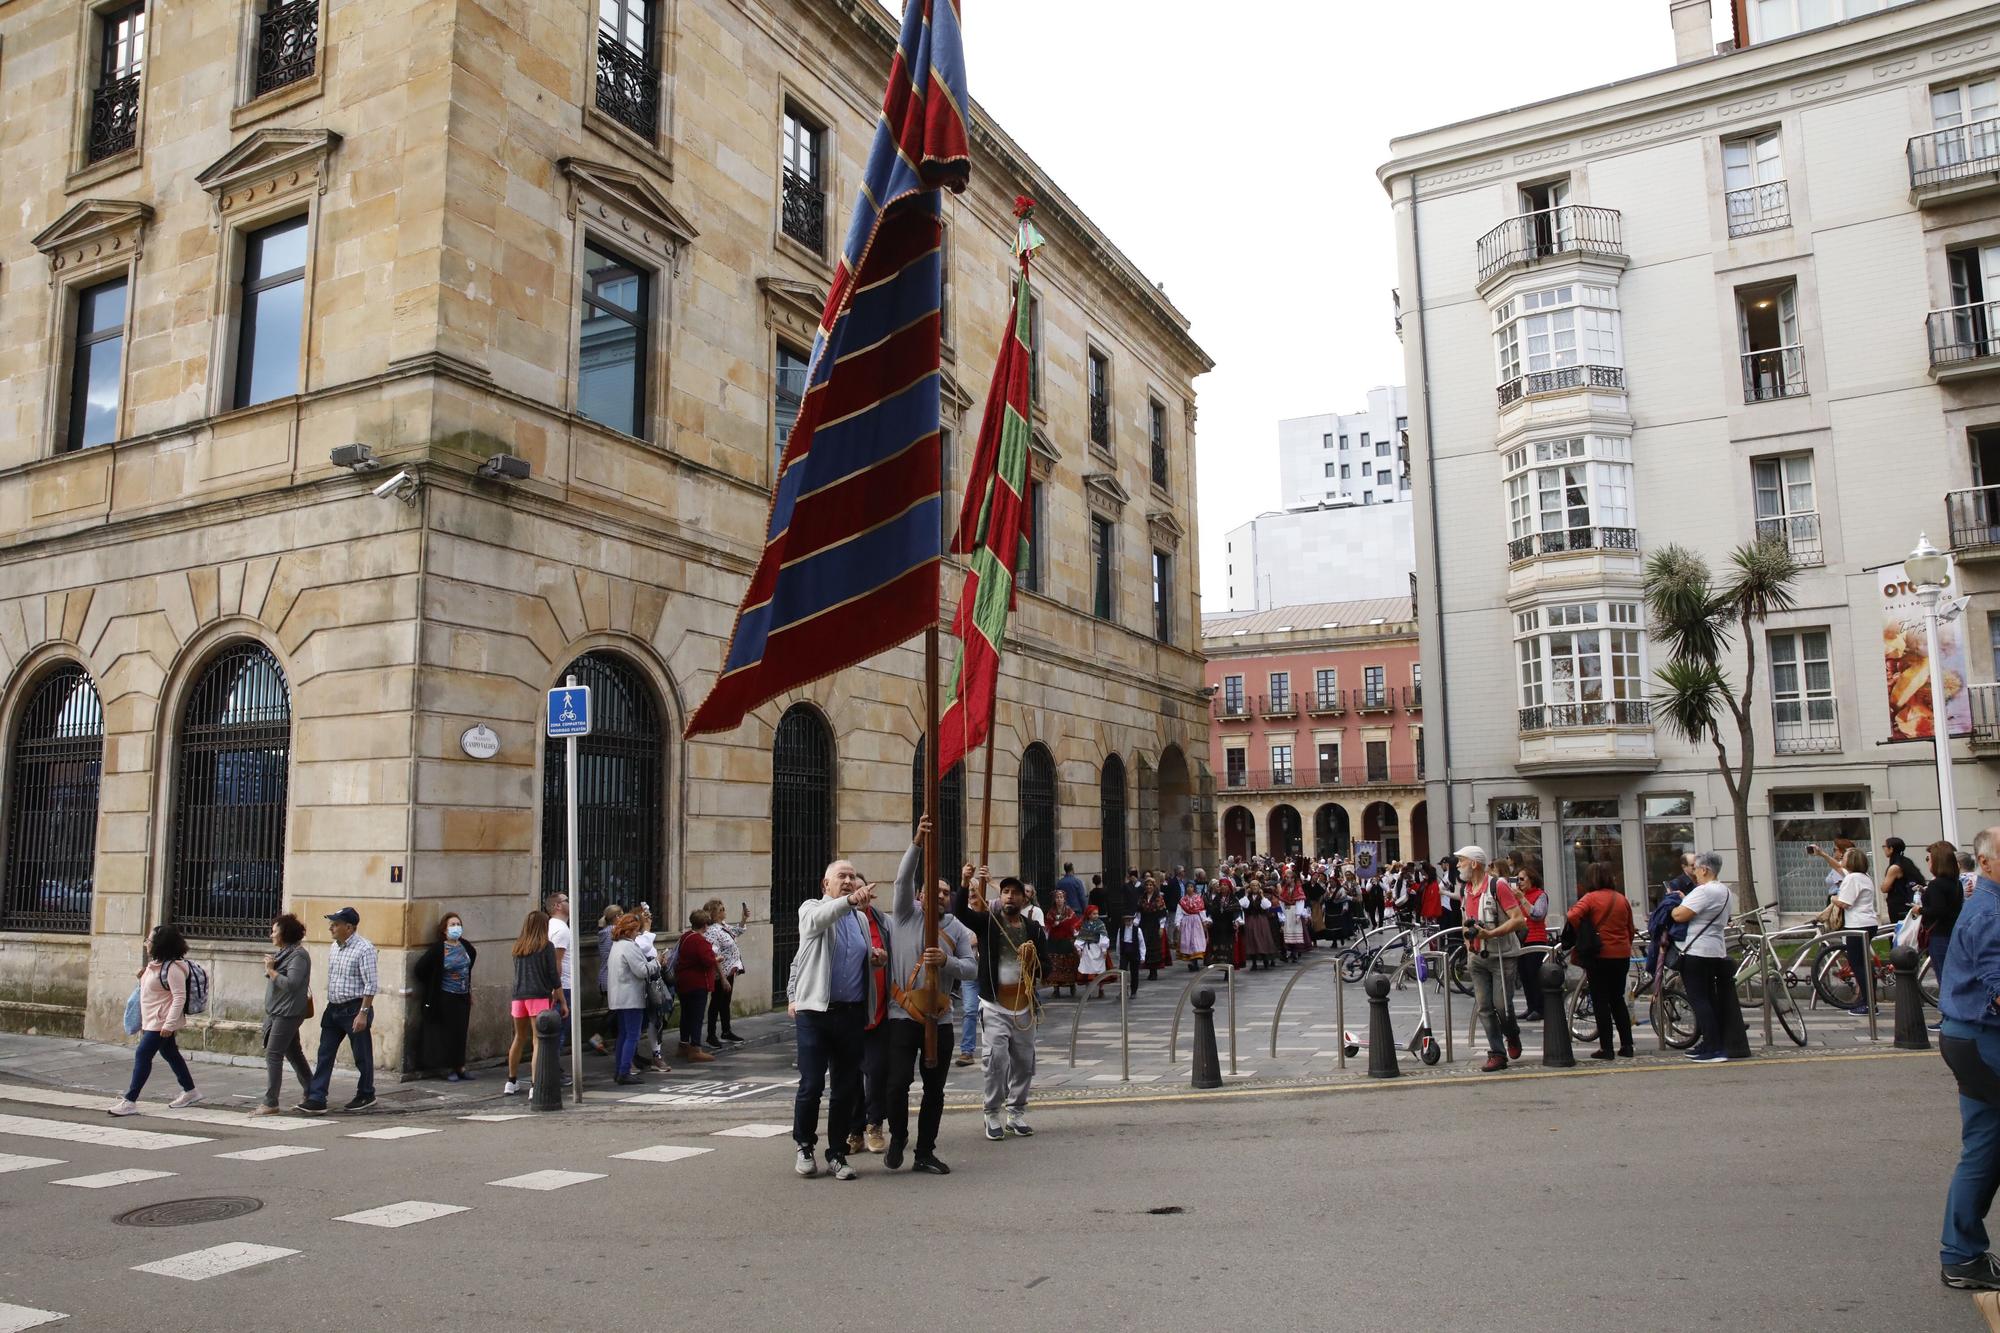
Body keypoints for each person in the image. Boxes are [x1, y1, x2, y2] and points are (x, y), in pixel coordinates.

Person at [882, 818, 978, 1174]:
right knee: (896, 1084)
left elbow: (971, 969)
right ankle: (897, 1137)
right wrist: (917, 843)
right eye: (931, 890)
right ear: (920, 896)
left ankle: (925, 1151)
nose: (938, 896)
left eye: (944, 891)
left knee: (934, 1090)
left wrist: (947, 961)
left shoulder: (958, 929)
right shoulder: (906, 915)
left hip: (940, 1019)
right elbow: (901, 880)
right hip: (903, 1014)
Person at [791, 854, 879, 1181]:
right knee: (812, 1084)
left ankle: (837, 1153)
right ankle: (804, 1144)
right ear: (825, 884)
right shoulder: (811, 909)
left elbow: (857, 958)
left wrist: (875, 958)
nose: (848, 880)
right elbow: (818, 922)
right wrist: (849, 901)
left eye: (852, 876)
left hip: (851, 1014)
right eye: (841, 876)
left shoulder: (858, 920)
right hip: (815, 1013)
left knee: (844, 1088)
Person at [1938, 826, 2000, 1291]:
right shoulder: (1991, 912)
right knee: (1984, 1147)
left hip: (1973, 1037)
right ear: (1986, 863)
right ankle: (1961, 1256)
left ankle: (1963, 1254)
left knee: (1988, 1146)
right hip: (1981, 1039)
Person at [960, 870, 1047, 1140]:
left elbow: (1047, 965)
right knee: (996, 1059)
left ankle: (1016, 1112)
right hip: (995, 1005)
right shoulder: (989, 923)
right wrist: (965, 883)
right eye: (1006, 892)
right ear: (1000, 897)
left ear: (1024, 899)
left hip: (1024, 1006)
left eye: (1015, 893)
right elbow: (961, 914)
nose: (1010, 896)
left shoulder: (1033, 928)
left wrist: (1033, 962)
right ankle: (991, 1111)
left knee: (1023, 1062)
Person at [110, 925, 202, 1115]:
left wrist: (169, 1024)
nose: (146, 944)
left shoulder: (173, 968)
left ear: (159, 944)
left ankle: (130, 1100)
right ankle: (191, 1091)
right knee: (171, 1054)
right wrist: (142, 978)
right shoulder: (156, 965)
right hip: (153, 1020)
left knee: (143, 1054)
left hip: (161, 1022)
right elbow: (153, 991)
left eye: (149, 941)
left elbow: (179, 997)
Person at [298, 906, 377, 1114]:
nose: (331, 928)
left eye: (335, 924)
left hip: (354, 1008)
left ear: (349, 927)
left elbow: (371, 985)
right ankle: (317, 1097)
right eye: (331, 924)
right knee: (325, 1052)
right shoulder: (334, 947)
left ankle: (366, 1093)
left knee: (362, 1054)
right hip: (333, 1007)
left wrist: (363, 1013)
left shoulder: (364, 949)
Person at [1672, 852, 1743, 1064]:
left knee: (1699, 999)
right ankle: (1711, 1042)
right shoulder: (1725, 891)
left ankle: (1713, 1046)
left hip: (1697, 951)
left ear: (1704, 869)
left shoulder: (1704, 890)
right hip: (1715, 950)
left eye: (1696, 869)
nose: (1694, 872)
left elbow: (1679, 915)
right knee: (1709, 998)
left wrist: (1677, 905)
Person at [1459, 846, 1524, 1073]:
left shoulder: (1498, 886)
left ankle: (1512, 1035)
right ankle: (1497, 1053)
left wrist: (1491, 934)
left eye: (1462, 861)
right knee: (1484, 1007)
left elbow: (1518, 920)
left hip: (1502, 956)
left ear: (1474, 864)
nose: (1458, 865)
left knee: (1501, 1006)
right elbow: (1464, 919)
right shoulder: (1466, 890)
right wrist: (1468, 942)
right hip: (1477, 957)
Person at [1566, 863, 1634, 1059]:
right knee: (1617, 999)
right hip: (1621, 954)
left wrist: (1586, 930)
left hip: (1599, 955)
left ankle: (1607, 1048)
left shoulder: (1590, 898)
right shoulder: (1621, 899)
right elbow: (1630, 928)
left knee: (1600, 1001)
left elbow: (1572, 915)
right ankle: (1627, 1045)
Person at [254, 913, 313, 1115]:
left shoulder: (298, 955)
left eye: (275, 931)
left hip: (287, 1012)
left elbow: (292, 984)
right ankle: (313, 1091)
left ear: (284, 933)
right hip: (278, 1011)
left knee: (273, 1054)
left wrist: (271, 971)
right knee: (293, 1052)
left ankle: (271, 1102)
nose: (271, 934)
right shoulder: (284, 953)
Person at [504, 909, 565, 1095]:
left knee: (519, 1038)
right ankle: (534, 1084)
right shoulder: (546, 946)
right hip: (538, 995)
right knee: (538, 1041)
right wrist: (562, 1000)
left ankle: (511, 1081)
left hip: (518, 996)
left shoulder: (518, 947)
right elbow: (553, 975)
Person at [413, 911, 476, 1081]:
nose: (456, 927)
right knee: (446, 1032)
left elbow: (469, 966)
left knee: (461, 1032)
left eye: (458, 924)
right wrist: (433, 983)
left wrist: (469, 990)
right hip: (445, 996)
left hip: (462, 994)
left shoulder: (466, 947)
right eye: (452, 925)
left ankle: (460, 1065)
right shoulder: (439, 949)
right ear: (444, 929)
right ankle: (447, 1067)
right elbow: (420, 969)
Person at [606, 912, 659, 1085]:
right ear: (629, 931)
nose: (638, 933)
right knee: (633, 1035)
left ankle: (619, 1069)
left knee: (623, 1034)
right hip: (631, 997)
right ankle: (624, 1071)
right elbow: (642, 970)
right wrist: (657, 962)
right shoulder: (629, 947)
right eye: (636, 930)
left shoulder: (617, 945)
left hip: (618, 997)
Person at [1830, 845, 1882, 1015]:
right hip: (1869, 921)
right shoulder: (1864, 877)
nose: (1841, 859)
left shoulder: (1852, 879)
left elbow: (1845, 902)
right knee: (1864, 963)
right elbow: (1838, 868)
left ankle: (1868, 1003)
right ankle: (1869, 1000)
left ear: (1851, 861)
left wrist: (1834, 898)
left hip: (1857, 924)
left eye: (1844, 857)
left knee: (1858, 964)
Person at [674, 910, 720, 1066]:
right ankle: (695, 1048)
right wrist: (717, 958)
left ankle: (683, 1044)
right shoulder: (700, 941)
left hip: (683, 982)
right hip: (697, 983)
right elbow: (707, 961)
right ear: (705, 925)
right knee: (697, 1016)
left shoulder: (685, 936)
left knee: (686, 1015)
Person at [702, 898, 749, 1046]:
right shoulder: (712, 931)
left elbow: (736, 932)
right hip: (720, 973)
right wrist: (722, 977)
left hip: (730, 970)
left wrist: (743, 919)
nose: (724, 912)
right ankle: (711, 1034)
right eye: (721, 910)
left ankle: (726, 1030)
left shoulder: (722, 926)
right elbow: (714, 954)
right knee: (716, 1002)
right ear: (714, 913)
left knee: (725, 1001)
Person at [1926, 840, 1966, 994]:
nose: (1928, 862)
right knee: (1952, 975)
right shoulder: (1956, 883)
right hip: (1953, 932)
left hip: (1940, 934)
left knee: (1943, 976)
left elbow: (1937, 910)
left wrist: (1920, 910)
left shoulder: (1936, 885)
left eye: (1929, 858)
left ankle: (1948, 1014)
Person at [952, 861, 981, 1068]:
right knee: (970, 1009)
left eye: (975, 889)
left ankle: (996, 1047)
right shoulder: (961, 913)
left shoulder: (991, 909)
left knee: (990, 1012)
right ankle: (967, 1051)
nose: (971, 892)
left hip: (989, 969)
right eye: (969, 889)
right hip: (971, 969)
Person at [1516, 864, 1551, 1021]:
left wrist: (1522, 899)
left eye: (1522, 879)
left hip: (1535, 939)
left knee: (1534, 974)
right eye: (1517, 879)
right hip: (1521, 940)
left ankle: (1540, 1007)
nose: (1519, 882)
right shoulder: (1518, 896)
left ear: (1531, 879)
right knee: (1524, 975)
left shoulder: (1540, 895)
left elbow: (1537, 914)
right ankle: (1531, 1006)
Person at [588, 902, 622, 1056]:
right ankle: (597, 1037)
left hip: (604, 977)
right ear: (616, 917)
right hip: (612, 977)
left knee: (616, 1011)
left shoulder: (603, 932)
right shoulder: (614, 932)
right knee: (616, 1010)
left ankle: (618, 1041)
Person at [545, 891, 575, 1067]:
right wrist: (558, 991)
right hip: (563, 987)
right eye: (566, 901)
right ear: (557, 906)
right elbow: (557, 962)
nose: (570, 903)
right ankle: (552, 1069)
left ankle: (551, 1068)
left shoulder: (552, 926)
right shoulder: (560, 929)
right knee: (558, 1031)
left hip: (560, 986)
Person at [1881, 836, 1926, 926]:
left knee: (1899, 930)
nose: (1884, 849)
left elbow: (1884, 888)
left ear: (1891, 849)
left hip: (1898, 905)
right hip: (1909, 902)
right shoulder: (1907, 862)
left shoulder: (1894, 867)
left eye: (1884, 846)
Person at [1045, 895, 1082, 996]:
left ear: (1064, 899)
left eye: (1061, 897)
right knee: (1054, 965)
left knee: (1068, 964)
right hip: (1054, 941)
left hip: (1067, 941)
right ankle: (1056, 989)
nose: (1059, 899)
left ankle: (1071, 985)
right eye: (1057, 897)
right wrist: (1053, 924)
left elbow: (1075, 924)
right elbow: (1047, 925)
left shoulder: (1069, 911)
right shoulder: (1051, 912)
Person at [1175, 881, 1209, 969]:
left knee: (1196, 940)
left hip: (1196, 921)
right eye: (1188, 887)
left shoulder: (1198, 899)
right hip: (1186, 921)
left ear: (1194, 888)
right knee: (1188, 940)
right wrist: (1178, 923)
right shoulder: (1182, 900)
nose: (1189, 888)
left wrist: (1204, 921)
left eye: (1191, 887)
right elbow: (1179, 913)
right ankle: (1192, 961)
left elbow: (1201, 910)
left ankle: (1195, 961)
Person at [1076, 909, 1111, 995]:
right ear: (1089, 915)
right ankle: (1088, 990)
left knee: (1100, 969)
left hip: (1098, 948)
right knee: (1088, 969)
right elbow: (1081, 937)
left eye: (1097, 914)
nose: (1096, 915)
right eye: (1094, 914)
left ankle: (1101, 988)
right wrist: (1078, 948)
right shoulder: (1085, 925)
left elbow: (1103, 936)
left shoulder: (1100, 924)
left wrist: (1104, 949)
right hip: (1088, 949)